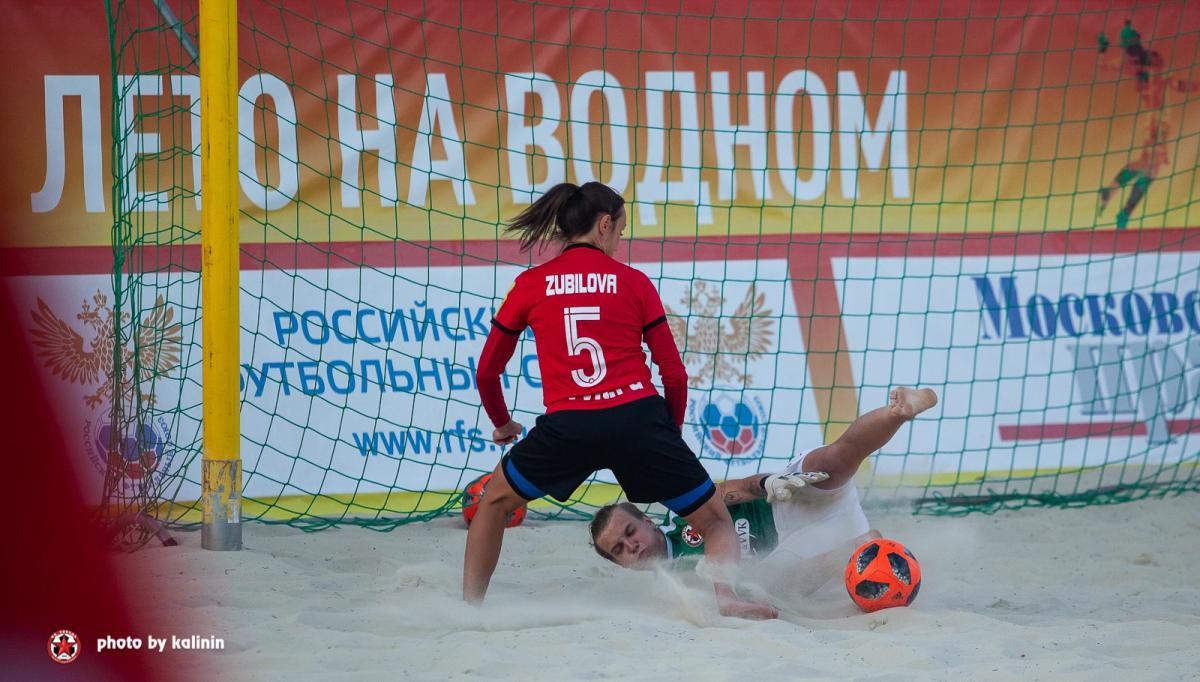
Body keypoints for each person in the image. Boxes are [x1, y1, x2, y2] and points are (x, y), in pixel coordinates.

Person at [465, 181, 778, 619]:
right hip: (637, 419)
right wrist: (668, 431)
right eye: (621, 231)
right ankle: (726, 597)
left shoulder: (529, 284)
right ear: (604, 225)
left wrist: (502, 422)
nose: (619, 240)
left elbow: (486, 371)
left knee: (494, 503)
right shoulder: (633, 281)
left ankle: (470, 608)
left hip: (569, 424)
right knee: (714, 521)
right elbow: (674, 373)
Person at [590, 387, 937, 596]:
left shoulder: (681, 514)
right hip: (804, 550)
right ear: (621, 565)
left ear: (648, 521)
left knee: (835, 460)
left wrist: (767, 483)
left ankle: (898, 411)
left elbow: (731, 490)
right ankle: (862, 544)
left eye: (629, 532)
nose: (631, 546)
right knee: (769, 589)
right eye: (619, 550)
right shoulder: (668, 590)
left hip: (784, 504)